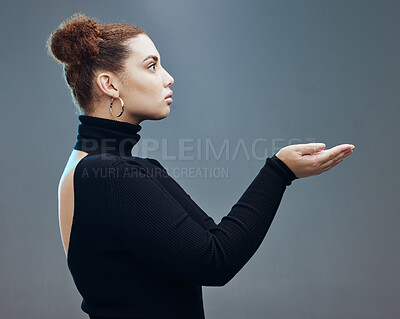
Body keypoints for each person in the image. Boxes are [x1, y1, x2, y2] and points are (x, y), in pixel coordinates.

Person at [47, 12, 355, 319]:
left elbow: (215, 241)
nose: (168, 77)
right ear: (109, 84)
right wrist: (279, 172)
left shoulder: (103, 167)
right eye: (152, 66)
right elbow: (216, 260)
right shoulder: (109, 175)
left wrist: (281, 171)